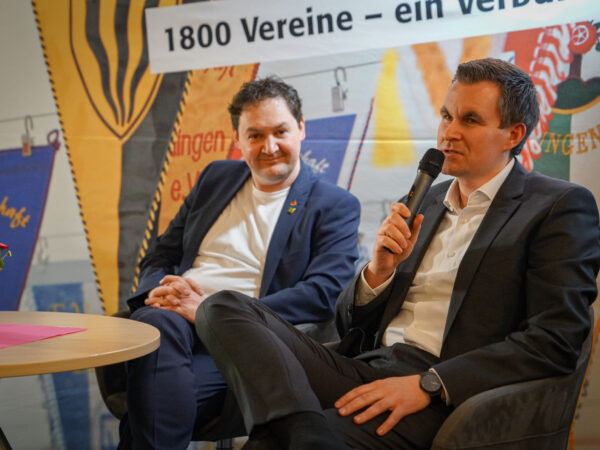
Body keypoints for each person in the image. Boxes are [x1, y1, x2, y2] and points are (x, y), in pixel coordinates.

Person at [194, 58, 600, 449]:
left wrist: (431, 384)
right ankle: (302, 428)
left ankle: (299, 433)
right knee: (220, 306)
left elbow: (556, 340)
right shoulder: (426, 200)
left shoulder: (556, 206)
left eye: (470, 120)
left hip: (443, 395)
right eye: (446, 116)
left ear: (513, 134)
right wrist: (378, 273)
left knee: (268, 446)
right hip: (367, 368)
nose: (449, 133)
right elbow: (347, 326)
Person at [120, 76, 361, 449]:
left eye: (280, 131)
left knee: (148, 400)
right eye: (255, 135)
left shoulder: (334, 204)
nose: (270, 146)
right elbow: (162, 254)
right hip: (174, 321)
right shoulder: (215, 178)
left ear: (301, 129)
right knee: (155, 322)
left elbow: (323, 293)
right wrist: (159, 291)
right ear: (238, 139)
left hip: (245, 336)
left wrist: (211, 310)